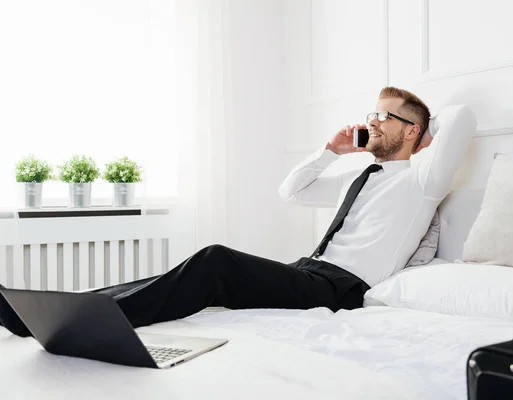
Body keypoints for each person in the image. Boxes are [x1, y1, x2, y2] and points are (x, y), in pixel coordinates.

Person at [0, 87, 474, 338]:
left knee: (216, 262)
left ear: (413, 132)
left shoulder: (421, 182)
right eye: (371, 113)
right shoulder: (360, 176)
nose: (371, 121)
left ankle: (82, 322)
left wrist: (426, 132)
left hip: (341, 287)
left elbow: (461, 120)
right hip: (307, 271)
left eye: (384, 116)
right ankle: (59, 309)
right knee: (195, 274)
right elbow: (294, 191)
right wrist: (331, 150)